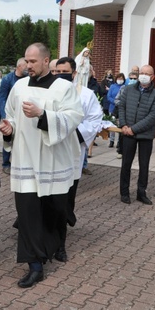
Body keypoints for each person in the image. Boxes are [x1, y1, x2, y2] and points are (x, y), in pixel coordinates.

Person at [0, 43, 83, 288]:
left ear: (46, 61)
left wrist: (42, 115)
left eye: (33, 61)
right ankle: (35, 266)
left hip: (53, 161)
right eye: (26, 61)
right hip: (25, 160)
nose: (28, 66)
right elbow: (11, 116)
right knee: (27, 215)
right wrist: (8, 129)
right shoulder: (19, 86)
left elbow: (72, 118)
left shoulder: (64, 88)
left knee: (54, 211)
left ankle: (53, 246)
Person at [55, 56, 102, 244]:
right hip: (51, 149)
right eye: (56, 72)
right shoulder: (48, 91)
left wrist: (76, 136)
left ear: (74, 73)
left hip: (73, 149)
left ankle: (63, 223)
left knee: (68, 191)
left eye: (64, 72)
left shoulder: (85, 94)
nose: (60, 76)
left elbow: (95, 119)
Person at [117, 64, 155, 205]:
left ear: (152, 77)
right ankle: (124, 193)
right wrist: (124, 125)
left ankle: (141, 193)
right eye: (141, 72)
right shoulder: (129, 89)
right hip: (127, 132)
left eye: (146, 73)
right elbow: (122, 107)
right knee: (126, 164)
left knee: (144, 165)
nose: (143, 75)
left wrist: (134, 129)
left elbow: (153, 117)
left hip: (145, 135)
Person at [0, 58, 28, 175]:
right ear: (19, 66)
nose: (27, 68)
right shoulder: (7, 79)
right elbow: (2, 98)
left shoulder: (28, 79)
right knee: (8, 138)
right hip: (10, 114)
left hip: (23, 115)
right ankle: (6, 163)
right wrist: (5, 115)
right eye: (25, 66)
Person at [105, 72, 126, 149]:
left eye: (121, 79)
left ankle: (119, 142)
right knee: (112, 124)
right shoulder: (113, 86)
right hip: (113, 108)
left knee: (120, 125)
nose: (120, 80)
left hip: (121, 109)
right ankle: (111, 140)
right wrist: (115, 102)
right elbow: (109, 96)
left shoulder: (125, 87)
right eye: (118, 78)